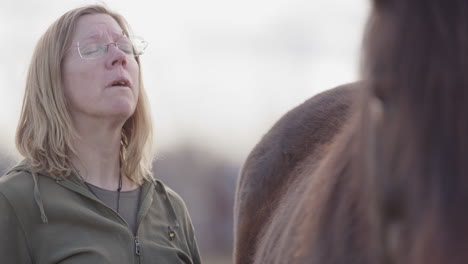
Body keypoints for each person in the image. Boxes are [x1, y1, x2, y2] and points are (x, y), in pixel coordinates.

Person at [0, 5, 201, 264]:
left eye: (126, 47)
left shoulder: (171, 208)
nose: (119, 57)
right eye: (94, 48)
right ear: (53, 80)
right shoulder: (15, 201)